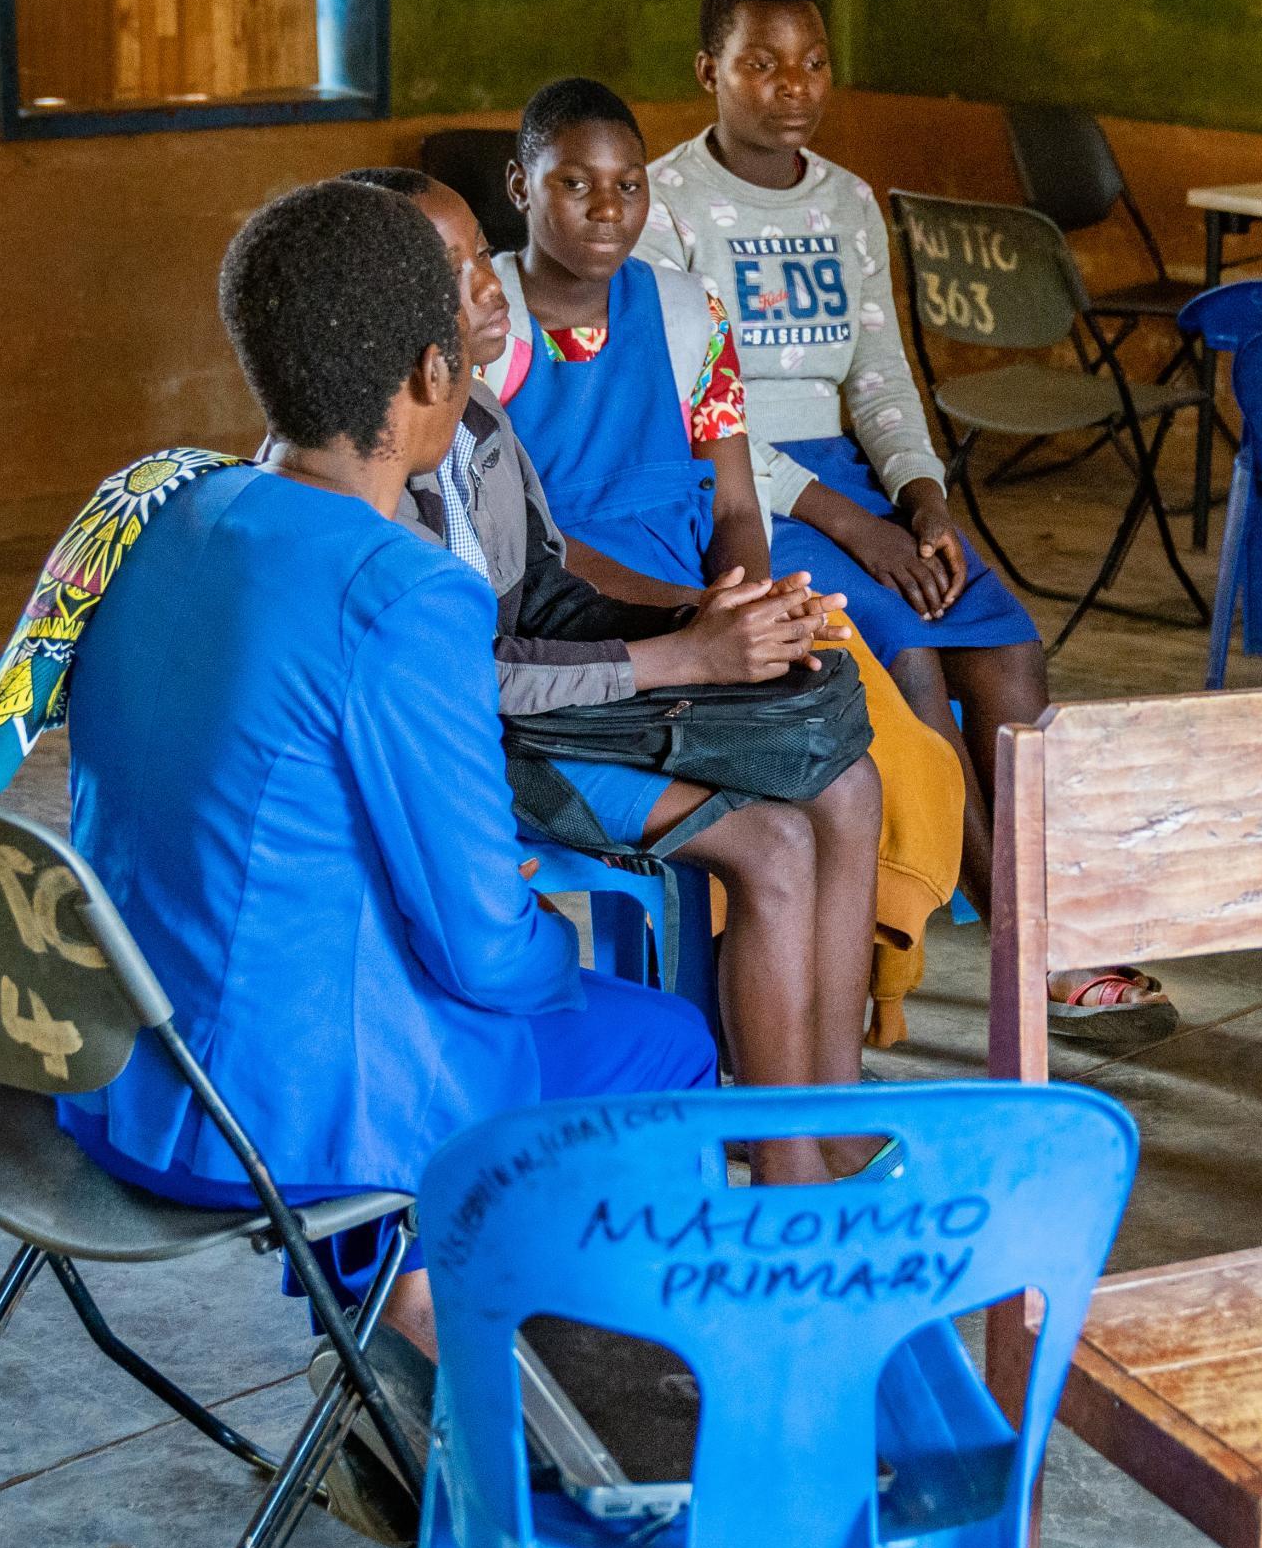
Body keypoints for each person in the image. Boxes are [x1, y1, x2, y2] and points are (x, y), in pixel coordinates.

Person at [40, 178, 722, 1528]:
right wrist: (534, 933)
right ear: (431, 372)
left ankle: (401, 1355)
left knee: (408, 1002)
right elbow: (484, 950)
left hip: (108, 1063)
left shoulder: (157, 512)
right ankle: (569, 1453)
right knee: (659, 1044)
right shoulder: (406, 592)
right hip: (264, 1120)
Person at [636, 0, 1177, 1041]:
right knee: (910, 650)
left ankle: (1039, 892)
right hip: (738, 484)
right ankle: (1045, 944)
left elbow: (878, 379)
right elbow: (697, 413)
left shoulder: (844, 199)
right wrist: (855, 528)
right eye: (761, 63)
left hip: (848, 477)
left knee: (1007, 647)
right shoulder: (662, 205)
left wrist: (924, 500)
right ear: (709, 72)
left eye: (814, 63)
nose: (793, 86)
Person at [318, 166, 884, 1094]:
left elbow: (543, 579)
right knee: (774, 842)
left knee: (848, 781)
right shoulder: (369, 485)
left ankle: (830, 1100)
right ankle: (783, 1159)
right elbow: (464, 683)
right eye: (456, 273)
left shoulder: (478, 417)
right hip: (479, 757)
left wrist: (700, 614)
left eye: (477, 259)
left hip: (554, 709)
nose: (489, 289)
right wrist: (674, 658)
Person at [481, 83, 973, 1049]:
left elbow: (739, 503)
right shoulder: (488, 323)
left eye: (627, 187)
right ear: (520, 187)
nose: (606, 210)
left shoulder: (681, 311)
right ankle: (770, 1078)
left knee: (871, 758)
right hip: (578, 631)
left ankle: (826, 1084)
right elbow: (524, 545)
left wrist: (745, 598)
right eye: (574, 183)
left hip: (698, 608)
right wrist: (690, 620)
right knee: (802, 777)